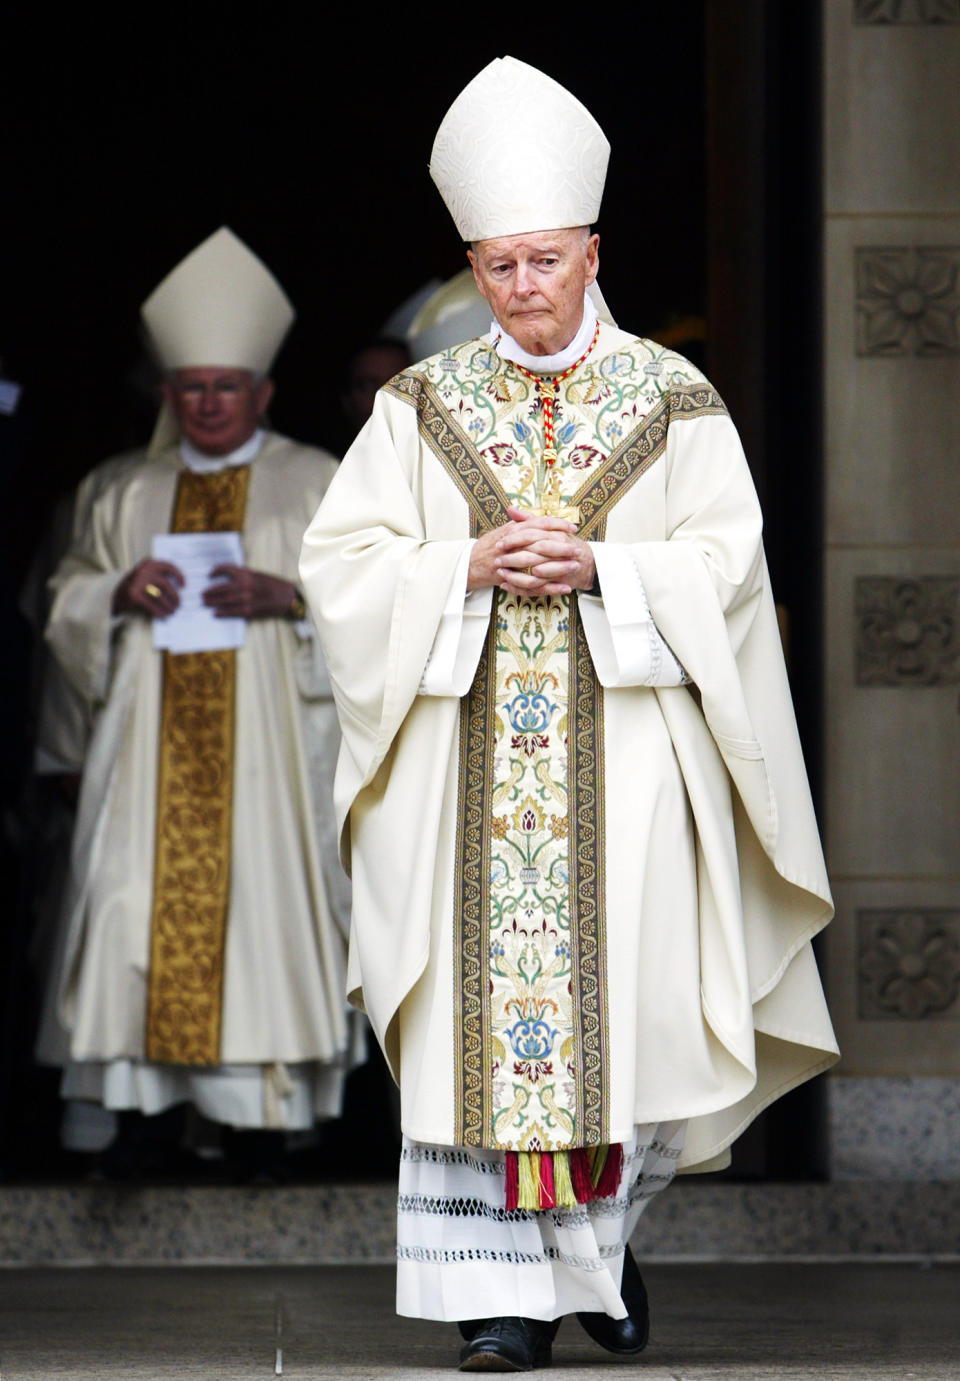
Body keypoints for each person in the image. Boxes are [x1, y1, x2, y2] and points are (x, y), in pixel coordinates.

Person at [300, 57, 838, 1372]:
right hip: (461, 771)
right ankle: (502, 1300)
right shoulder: (418, 407)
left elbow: (732, 564)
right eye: (496, 266)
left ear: (592, 251)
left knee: (633, 1019)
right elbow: (343, 567)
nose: (522, 287)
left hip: (636, 764)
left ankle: (597, 1253)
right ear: (471, 269)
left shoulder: (674, 398)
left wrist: (610, 567)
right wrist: (459, 569)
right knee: (480, 1035)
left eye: (544, 259)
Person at [40, 227, 354, 1172]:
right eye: (192, 388)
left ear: (261, 393)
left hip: (268, 758)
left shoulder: (317, 482)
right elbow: (65, 596)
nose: (208, 403)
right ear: (168, 394)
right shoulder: (124, 490)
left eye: (226, 387)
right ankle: (139, 1119)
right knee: (134, 911)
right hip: (148, 757)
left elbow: (381, 604)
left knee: (260, 914)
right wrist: (116, 591)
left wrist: (291, 598)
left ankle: (265, 1126)